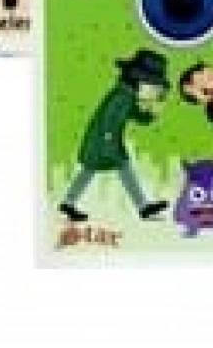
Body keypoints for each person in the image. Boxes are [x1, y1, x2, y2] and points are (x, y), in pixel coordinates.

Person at [59, 49, 171, 223]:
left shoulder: (127, 95)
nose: (155, 91)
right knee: (115, 168)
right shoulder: (122, 97)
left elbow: (136, 115)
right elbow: (109, 121)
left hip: (105, 141)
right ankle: (143, 207)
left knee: (90, 171)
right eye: (153, 86)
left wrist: (150, 113)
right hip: (103, 141)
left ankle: (68, 203)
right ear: (139, 81)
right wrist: (110, 144)